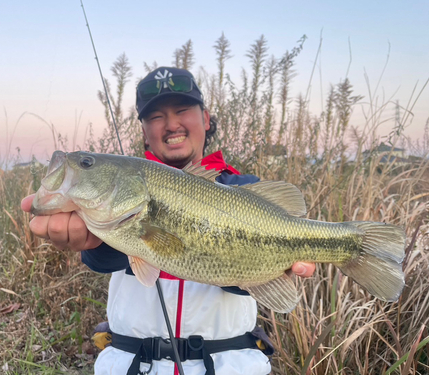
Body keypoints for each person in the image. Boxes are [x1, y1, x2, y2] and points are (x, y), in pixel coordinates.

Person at [21, 67, 316, 375]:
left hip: (227, 365)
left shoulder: (242, 189)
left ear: (206, 118)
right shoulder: (125, 196)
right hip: (134, 365)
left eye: (183, 110)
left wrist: (275, 265)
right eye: (156, 117)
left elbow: (243, 284)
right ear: (145, 130)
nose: (171, 123)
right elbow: (103, 258)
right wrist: (90, 238)